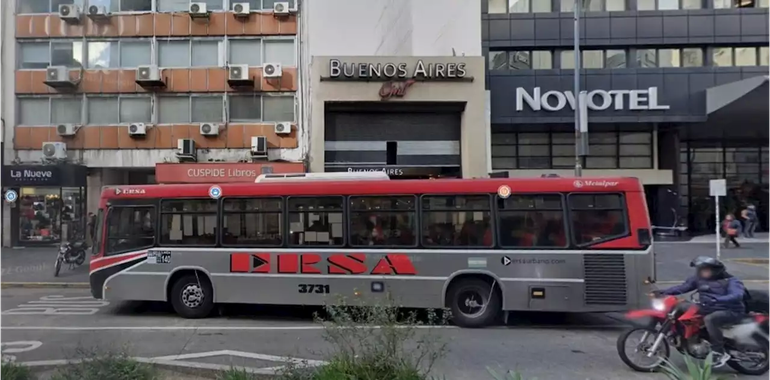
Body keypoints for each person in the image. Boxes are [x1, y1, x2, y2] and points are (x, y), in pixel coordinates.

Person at [653, 256, 746, 368]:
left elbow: (737, 295)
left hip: (730, 310)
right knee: (680, 306)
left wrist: (718, 299)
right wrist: (664, 292)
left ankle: (719, 352)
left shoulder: (731, 281)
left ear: (715, 270)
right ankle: (681, 335)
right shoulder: (698, 279)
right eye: (701, 270)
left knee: (710, 319)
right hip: (706, 307)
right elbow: (683, 287)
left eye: (705, 270)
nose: (702, 272)